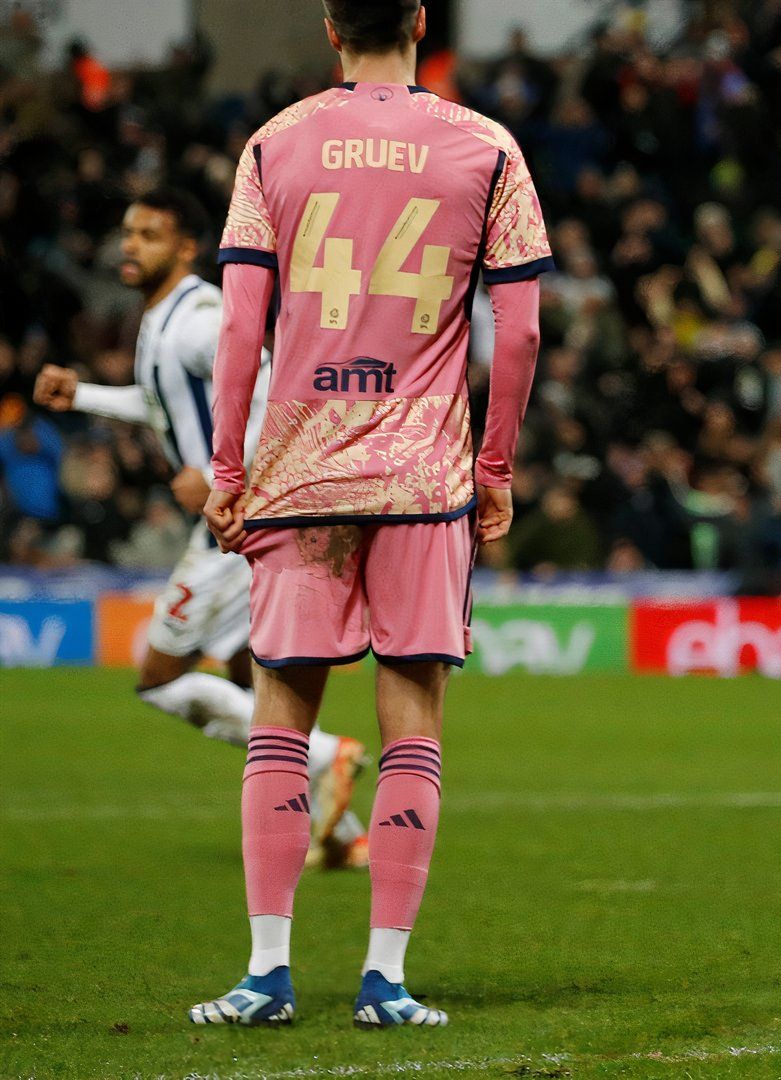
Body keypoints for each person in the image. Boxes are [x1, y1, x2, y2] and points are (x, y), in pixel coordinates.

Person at [189, 0, 549, 1027]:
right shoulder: (486, 147)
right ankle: (384, 979)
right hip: (422, 479)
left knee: (280, 720)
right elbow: (517, 335)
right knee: (413, 729)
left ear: (330, 25)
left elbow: (240, 327)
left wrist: (228, 468)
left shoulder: (276, 143)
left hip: (302, 473)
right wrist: (495, 466)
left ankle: (266, 975)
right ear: (423, 19)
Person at [32, 190, 368, 870]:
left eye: (150, 235)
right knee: (249, 680)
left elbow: (270, 390)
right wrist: (86, 396)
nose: (131, 245)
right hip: (247, 512)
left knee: (158, 677)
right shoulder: (163, 319)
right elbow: (162, 403)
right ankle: (339, 834)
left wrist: (225, 476)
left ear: (185, 248)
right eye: (127, 232)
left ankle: (330, 756)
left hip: (239, 520)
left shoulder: (199, 318)